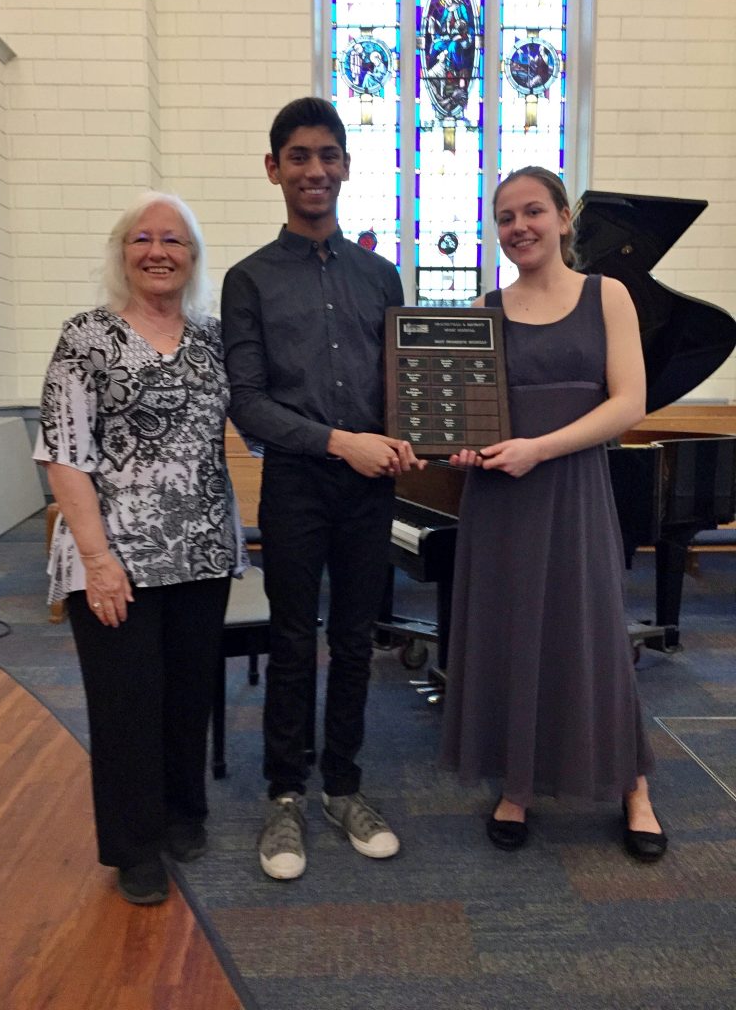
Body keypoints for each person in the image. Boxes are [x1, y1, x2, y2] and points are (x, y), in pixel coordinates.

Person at [439, 166, 668, 863]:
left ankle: (633, 787)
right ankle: (517, 784)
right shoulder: (484, 307)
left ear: (564, 218)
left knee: (593, 635)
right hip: (500, 500)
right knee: (510, 632)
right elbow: (471, 414)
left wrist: (539, 448)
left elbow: (629, 404)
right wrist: (463, 446)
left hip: (572, 488)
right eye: (506, 217)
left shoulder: (608, 295)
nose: (520, 228)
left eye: (533, 211)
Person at [221, 97, 425, 881]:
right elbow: (249, 401)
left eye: (328, 155)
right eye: (299, 156)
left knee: (355, 641)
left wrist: (413, 435)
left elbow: (403, 386)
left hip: (370, 491)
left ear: (346, 165)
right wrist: (343, 442)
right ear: (273, 169)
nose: (315, 169)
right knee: (291, 641)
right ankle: (285, 797)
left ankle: (343, 787)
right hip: (297, 484)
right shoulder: (248, 279)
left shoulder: (381, 275)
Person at [35, 191, 247, 904]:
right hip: (113, 555)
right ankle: (134, 846)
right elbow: (64, 454)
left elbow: (263, 415)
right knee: (125, 704)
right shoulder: (87, 336)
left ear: (194, 257)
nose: (158, 251)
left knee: (188, 695)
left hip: (202, 550)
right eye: (142, 239)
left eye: (174, 240)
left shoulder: (215, 339)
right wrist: (97, 560)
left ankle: (184, 812)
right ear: (122, 252)